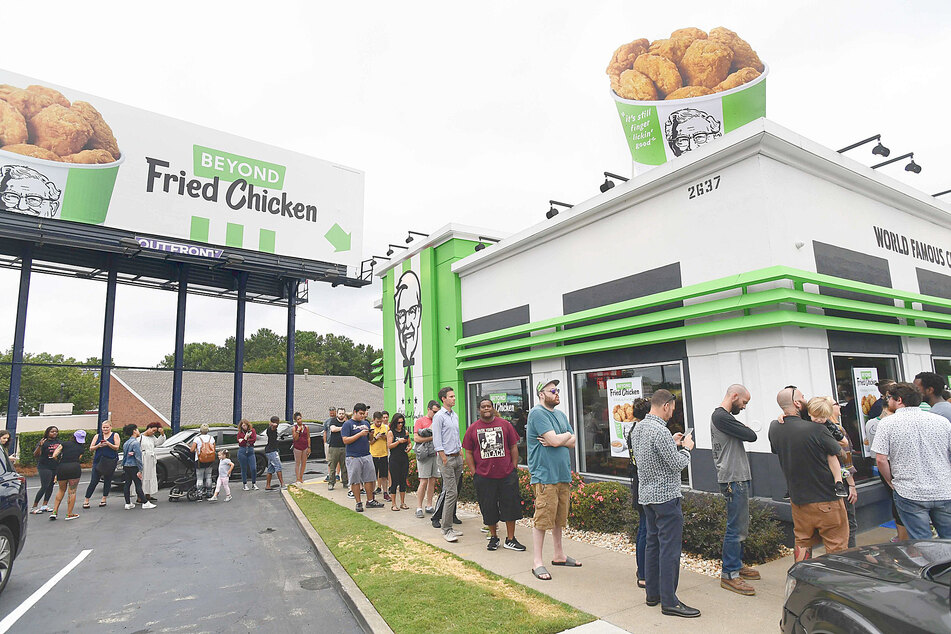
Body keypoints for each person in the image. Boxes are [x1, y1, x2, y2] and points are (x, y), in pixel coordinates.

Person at [632, 390, 698, 618]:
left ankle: (653, 594)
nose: (673, 412)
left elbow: (650, 455)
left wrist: (672, 442)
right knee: (669, 548)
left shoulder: (638, 427)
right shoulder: (660, 429)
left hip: (646, 495)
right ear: (667, 406)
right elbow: (676, 464)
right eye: (672, 407)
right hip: (666, 497)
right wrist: (686, 448)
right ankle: (669, 601)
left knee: (652, 544)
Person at [768, 386, 848, 561]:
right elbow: (841, 451)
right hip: (826, 498)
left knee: (803, 542)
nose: (805, 399)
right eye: (802, 397)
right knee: (837, 545)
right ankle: (837, 584)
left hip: (798, 500)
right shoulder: (817, 429)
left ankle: (801, 580)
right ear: (797, 403)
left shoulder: (774, 427)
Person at [872, 381, 951, 539]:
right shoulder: (941, 422)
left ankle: (932, 563)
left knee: (922, 541)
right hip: (943, 488)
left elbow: (880, 459)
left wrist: (889, 482)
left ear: (899, 400)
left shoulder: (887, 424)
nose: (887, 401)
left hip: (909, 491)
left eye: (889, 398)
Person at [710, 384, 760, 596]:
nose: (745, 406)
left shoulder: (724, 417)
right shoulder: (722, 417)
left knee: (740, 525)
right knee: (735, 528)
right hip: (733, 478)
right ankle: (729, 574)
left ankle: (736, 565)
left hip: (735, 477)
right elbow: (751, 435)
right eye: (744, 402)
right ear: (735, 396)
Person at [526, 379, 578, 581]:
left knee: (558, 518)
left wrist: (559, 438)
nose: (557, 393)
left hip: (562, 474)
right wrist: (562, 438)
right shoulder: (537, 413)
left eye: (558, 390)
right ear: (541, 394)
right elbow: (560, 440)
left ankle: (559, 555)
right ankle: (537, 562)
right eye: (553, 390)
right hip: (545, 475)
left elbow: (572, 441)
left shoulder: (560, 414)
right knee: (542, 518)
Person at [463, 396, 525, 552]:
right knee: (488, 508)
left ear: (492, 408)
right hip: (484, 476)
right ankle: (493, 537)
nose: (486, 409)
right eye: (483, 406)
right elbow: (468, 452)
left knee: (511, 506)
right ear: (479, 410)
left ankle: (510, 539)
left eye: (488, 406)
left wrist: (514, 467)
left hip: (506, 475)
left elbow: (513, 446)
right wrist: (474, 472)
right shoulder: (473, 428)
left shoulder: (505, 425)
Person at [809, 398, 858, 548]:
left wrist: (851, 485)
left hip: (837, 479)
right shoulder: (814, 427)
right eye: (836, 404)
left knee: (846, 520)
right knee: (843, 520)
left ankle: (849, 552)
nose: (839, 406)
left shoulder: (834, 429)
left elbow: (846, 457)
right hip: (829, 479)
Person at [865, 409, 908, 541]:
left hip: (889, 468)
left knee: (898, 502)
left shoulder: (874, 423)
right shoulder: (889, 424)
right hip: (894, 467)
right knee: (900, 503)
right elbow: (880, 458)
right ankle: (904, 539)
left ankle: (903, 538)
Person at [623, 398, 652, 589]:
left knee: (645, 528)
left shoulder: (633, 431)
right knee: (645, 528)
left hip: (638, 483)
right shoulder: (642, 432)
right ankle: (643, 573)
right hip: (642, 484)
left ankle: (643, 570)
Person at [433, 386, 464, 543]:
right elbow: (437, 438)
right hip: (446, 459)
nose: (454, 398)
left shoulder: (454, 416)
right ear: (443, 399)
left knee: (454, 491)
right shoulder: (439, 417)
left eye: (454, 396)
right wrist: (443, 456)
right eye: (450, 396)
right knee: (450, 492)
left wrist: (460, 450)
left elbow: (456, 434)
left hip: (456, 456)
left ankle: (449, 526)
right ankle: (446, 529)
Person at [342, 403, 383, 512]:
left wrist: (370, 434)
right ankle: (358, 502)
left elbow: (370, 441)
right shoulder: (348, 424)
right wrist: (359, 434)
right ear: (355, 412)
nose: (362, 416)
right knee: (355, 480)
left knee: (370, 478)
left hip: (366, 455)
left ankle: (370, 500)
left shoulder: (365, 423)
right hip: (353, 456)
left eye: (364, 414)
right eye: (360, 413)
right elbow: (345, 440)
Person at [82, 421, 120, 509]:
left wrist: (108, 444)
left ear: (111, 427)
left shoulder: (115, 435)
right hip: (98, 461)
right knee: (94, 481)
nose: (105, 429)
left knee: (107, 480)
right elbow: (91, 448)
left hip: (110, 461)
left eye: (107, 427)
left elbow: (117, 447)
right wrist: (99, 445)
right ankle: (87, 499)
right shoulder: (97, 436)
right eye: (104, 427)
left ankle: (104, 498)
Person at [50, 430, 87, 521]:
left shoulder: (64, 444)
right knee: (72, 491)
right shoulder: (81, 448)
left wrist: (59, 461)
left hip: (62, 467)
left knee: (61, 490)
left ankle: (54, 512)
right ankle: (69, 514)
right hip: (74, 468)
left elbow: (54, 455)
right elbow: (78, 459)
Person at [414, 399, 440, 518]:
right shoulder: (420, 421)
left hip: (435, 453)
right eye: (434, 412)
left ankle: (429, 505)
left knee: (433, 480)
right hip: (424, 455)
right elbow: (417, 439)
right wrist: (431, 438)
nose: (435, 414)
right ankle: (419, 507)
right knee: (423, 481)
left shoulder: (438, 420)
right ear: (428, 409)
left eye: (437, 412)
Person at [120, 424, 151, 510]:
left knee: (127, 484)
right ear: (134, 431)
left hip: (126, 465)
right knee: (138, 483)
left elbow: (126, 455)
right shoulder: (136, 443)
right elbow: (138, 457)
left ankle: (128, 503)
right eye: (137, 430)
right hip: (134, 466)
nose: (138, 431)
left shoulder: (126, 443)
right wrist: (140, 469)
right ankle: (145, 502)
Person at [31, 426, 60, 514]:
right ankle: (34, 507)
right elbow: (36, 454)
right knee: (45, 486)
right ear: (47, 433)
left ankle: (44, 505)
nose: (54, 433)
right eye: (52, 431)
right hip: (44, 467)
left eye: (56, 432)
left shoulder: (58, 442)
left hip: (54, 466)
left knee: (51, 486)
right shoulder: (43, 442)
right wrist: (40, 446)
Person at [386, 413, 411, 511]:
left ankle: (402, 502)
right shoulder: (391, 432)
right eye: (398, 422)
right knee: (394, 481)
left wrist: (409, 447)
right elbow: (389, 446)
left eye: (402, 422)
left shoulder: (405, 432)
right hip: (394, 459)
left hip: (404, 458)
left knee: (403, 481)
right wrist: (398, 442)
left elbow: (409, 443)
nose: (400, 424)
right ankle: (393, 503)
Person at [140, 422, 166, 503]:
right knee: (143, 477)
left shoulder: (152, 437)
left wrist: (162, 434)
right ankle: (140, 496)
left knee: (150, 476)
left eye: (155, 431)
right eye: (153, 430)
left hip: (151, 459)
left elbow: (158, 443)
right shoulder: (140, 437)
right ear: (149, 428)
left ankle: (148, 494)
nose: (153, 432)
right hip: (143, 458)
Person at [369, 412, 391, 501]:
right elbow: (369, 442)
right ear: (373, 420)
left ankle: (385, 492)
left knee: (384, 475)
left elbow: (389, 438)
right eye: (377, 422)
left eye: (380, 422)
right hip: (373, 455)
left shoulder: (385, 427)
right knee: (373, 476)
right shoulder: (370, 428)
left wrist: (384, 436)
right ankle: (372, 493)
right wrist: (375, 437)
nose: (379, 423)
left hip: (383, 454)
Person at [325, 408, 348, 491]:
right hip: (334, 447)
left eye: (342, 413)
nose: (341, 415)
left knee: (344, 466)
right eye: (340, 413)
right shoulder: (333, 421)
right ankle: (331, 483)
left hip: (344, 447)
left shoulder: (346, 422)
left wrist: (343, 427)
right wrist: (343, 428)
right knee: (332, 466)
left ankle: (345, 482)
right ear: (337, 414)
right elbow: (333, 429)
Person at [190, 424, 216, 497]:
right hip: (210, 460)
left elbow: (191, 450)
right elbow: (214, 448)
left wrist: (196, 449)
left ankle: (199, 493)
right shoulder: (212, 438)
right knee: (208, 476)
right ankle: (209, 492)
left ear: (200, 430)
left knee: (200, 478)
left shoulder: (197, 439)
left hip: (199, 460)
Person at [264, 416, 287, 490]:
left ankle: (268, 485)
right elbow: (274, 426)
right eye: (278, 421)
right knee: (278, 466)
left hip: (271, 450)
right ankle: (282, 484)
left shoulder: (272, 429)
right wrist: (272, 423)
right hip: (272, 451)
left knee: (270, 468)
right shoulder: (271, 429)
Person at [236, 419, 259, 491]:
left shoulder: (253, 431)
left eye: (245, 425)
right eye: (243, 425)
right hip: (242, 451)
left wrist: (245, 440)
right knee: (244, 468)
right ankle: (245, 484)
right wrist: (245, 438)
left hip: (250, 450)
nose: (244, 427)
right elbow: (241, 443)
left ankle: (254, 483)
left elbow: (254, 439)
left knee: (253, 468)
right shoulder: (240, 433)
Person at [291, 412, 310, 486]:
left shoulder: (306, 427)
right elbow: (295, 438)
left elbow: (308, 437)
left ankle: (301, 477)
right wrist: (298, 431)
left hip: (305, 446)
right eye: (298, 419)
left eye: (300, 418)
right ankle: (297, 478)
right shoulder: (294, 428)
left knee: (304, 462)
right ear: (296, 420)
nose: (299, 420)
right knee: (297, 462)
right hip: (297, 447)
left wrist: (309, 447)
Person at [323, 406, 337, 483]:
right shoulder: (327, 422)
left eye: (333, 412)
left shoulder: (338, 420)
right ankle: (329, 474)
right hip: (328, 443)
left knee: (338, 459)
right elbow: (325, 432)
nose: (332, 414)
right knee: (329, 460)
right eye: (330, 413)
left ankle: (337, 474)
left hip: (337, 443)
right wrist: (325, 442)